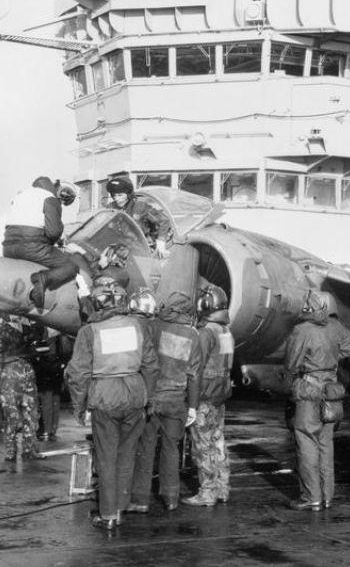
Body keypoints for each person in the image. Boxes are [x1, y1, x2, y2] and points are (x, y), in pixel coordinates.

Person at [65, 281, 158, 531]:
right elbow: (151, 365)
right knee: (127, 455)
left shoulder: (89, 331)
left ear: (97, 304)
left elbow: (78, 373)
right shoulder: (138, 326)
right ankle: (119, 509)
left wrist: (80, 407)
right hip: (135, 395)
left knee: (106, 457)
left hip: (105, 397)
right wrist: (148, 399)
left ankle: (107, 515)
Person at [128, 291, 203, 513]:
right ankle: (171, 498)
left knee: (146, 447)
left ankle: (140, 500)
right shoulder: (193, 335)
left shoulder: (153, 326)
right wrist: (193, 406)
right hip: (177, 400)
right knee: (171, 449)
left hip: (152, 397)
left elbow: (143, 362)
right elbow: (194, 375)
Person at [284, 290, 350, 511]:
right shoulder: (335, 326)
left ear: (305, 309)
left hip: (309, 393)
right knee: (326, 445)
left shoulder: (301, 330)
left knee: (307, 442)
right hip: (331, 394)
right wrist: (331, 357)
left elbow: (291, 364)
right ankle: (326, 497)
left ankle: (311, 497)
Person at [182, 284, 234, 507]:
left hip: (204, 397)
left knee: (202, 446)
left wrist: (191, 404)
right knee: (218, 442)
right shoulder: (225, 331)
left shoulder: (205, 333)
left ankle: (207, 493)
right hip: (220, 394)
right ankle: (222, 488)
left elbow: (195, 369)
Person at [2, 176, 79, 308]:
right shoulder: (49, 198)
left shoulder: (20, 195)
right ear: (56, 188)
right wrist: (56, 241)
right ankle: (42, 278)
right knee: (70, 267)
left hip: (8, 248)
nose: (61, 202)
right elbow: (53, 232)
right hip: (31, 247)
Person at [0, 323, 41, 462]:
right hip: (13, 373)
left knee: (29, 413)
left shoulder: (18, 330)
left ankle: (26, 450)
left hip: (21, 370)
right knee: (14, 416)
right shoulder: (6, 332)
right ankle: (16, 451)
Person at [106, 176, 172, 256]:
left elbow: (164, 220)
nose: (116, 199)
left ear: (129, 194)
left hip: (138, 249)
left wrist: (161, 242)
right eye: (114, 195)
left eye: (120, 195)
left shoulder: (139, 206)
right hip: (118, 248)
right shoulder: (110, 208)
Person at [35, 333, 68, 442]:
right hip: (52, 376)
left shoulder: (52, 339)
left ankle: (48, 430)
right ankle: (50, 430)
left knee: (48, 405)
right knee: (51, 404)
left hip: (47, 378)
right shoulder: (59, 339)